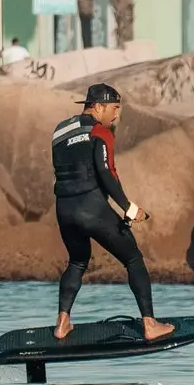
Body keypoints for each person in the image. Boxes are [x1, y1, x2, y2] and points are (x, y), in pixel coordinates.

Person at [50, 82, 172, 343]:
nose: (116, 115)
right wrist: (128, 207)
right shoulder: (101, 133)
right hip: (90, 207)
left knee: (77, 261)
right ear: (98, 106)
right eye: (114, 108)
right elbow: (106, 172)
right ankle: (150, 325)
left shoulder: (60, 131)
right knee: (133, 259)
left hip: (63, 209)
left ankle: (62, 323)